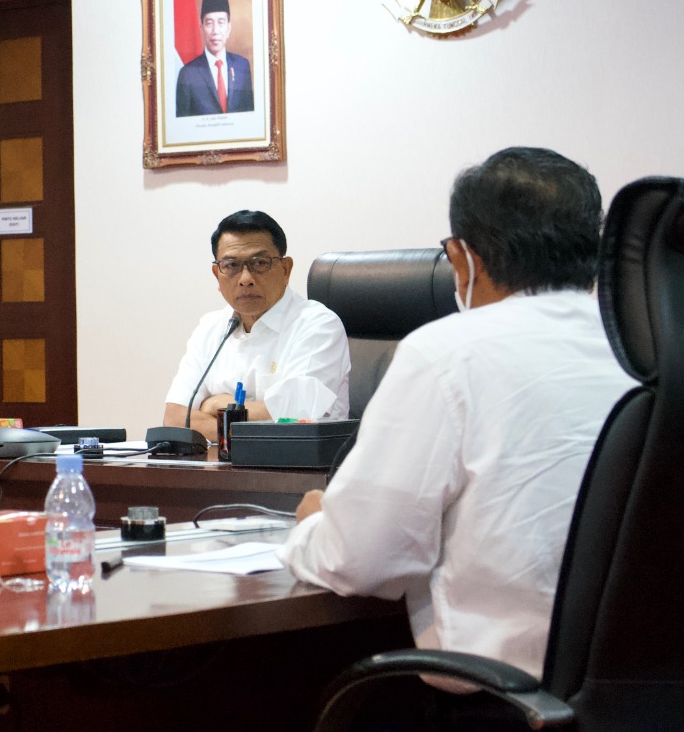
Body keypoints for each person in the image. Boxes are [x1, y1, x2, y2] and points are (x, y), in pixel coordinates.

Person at [279, 148, 636, 722]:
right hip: (647, 702)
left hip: (503, 706)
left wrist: (314, 527)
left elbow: (363, 561)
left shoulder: (446, 352)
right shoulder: (643, 349)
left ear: (461, 258)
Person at [164, 210, 350, 443]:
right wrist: (259, 415)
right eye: (231, 265)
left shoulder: (317, 325)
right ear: (217, 274)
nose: (245, 278)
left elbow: (295, 424)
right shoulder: (211, 327)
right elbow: (175, 419)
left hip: (300, 474)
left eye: (259, 263)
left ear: (285, 270)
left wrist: (217, 407)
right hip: (215, 473)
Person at [175, 0, 255, 117]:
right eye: (209, 23)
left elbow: (250, 115)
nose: (215, 31)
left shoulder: (242, 66)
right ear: (201, 28)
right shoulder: (187, 74)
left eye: (221, 22)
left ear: (228, 29)